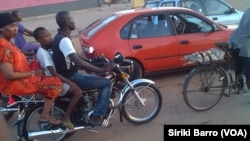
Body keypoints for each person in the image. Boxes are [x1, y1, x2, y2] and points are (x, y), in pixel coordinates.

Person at [0, 12, 63, 126]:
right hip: (16, 83)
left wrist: (29, 57)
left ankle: (39, 103)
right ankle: (45, 115)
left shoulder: (7, 42)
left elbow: (16, 55)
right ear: (1, 29)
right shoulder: (4, 48)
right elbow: (9, 75)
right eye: (11, 26)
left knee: (38, 67)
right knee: (55, 82)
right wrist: (33, 73)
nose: (15, 29)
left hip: (21, 78)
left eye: (16, 25)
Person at [52, 11, 112, 128]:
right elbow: (78, 61)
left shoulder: (60, 37)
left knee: (95, 77)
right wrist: (100, 70)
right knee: (107, 83)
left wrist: (92, 62)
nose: (74, 21)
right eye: (72, 19)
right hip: (71, 76)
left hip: (68, 73)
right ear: (67, 22)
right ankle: (97, 116)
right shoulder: (64, 40)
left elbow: (76, 57)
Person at [34, 26, 82, 130]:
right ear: (39, 40)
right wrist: (70, 83)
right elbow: (53, 73)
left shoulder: (45, 50)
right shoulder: (43, 53)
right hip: (53, 82)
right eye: (46, 37)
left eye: (49, 35)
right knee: (78, 92)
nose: (50, 38)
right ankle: (67, 117)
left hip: (54, 79)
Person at [228, 7, 250, 92]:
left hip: (235, 40)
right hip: (244, 45)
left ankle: (240, 87)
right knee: (248, 70)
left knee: (239, 66)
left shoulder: (248, 10)